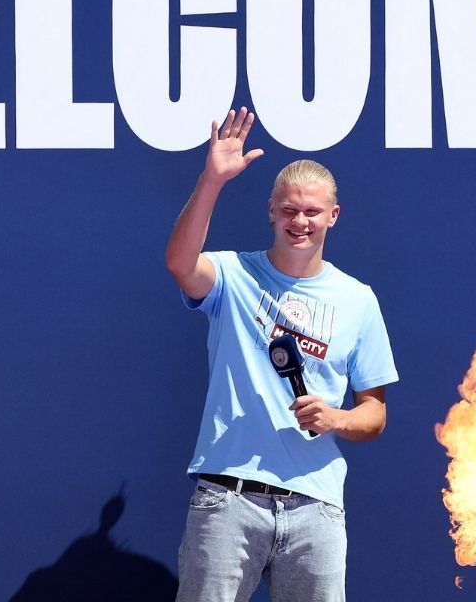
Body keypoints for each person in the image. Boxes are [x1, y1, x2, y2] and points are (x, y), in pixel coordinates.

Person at [165, 107, 399, 601]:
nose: (300, 221)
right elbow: (179, 263)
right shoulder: (232, 274)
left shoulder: (359, 299)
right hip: (228, 499)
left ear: (333, 216)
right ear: (271, 211)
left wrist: (335, 418)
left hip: (317, 509)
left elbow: (374, 413)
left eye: (312, 212)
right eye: (289, 210)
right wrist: (212, 180)